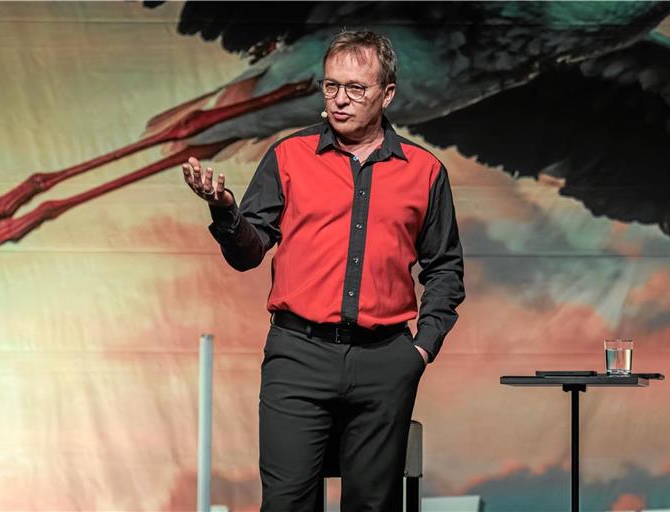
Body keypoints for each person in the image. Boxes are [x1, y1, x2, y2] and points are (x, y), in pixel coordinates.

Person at [182, 30, 464, 512]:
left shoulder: (424, 171)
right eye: (331, 86)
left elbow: (445, 269)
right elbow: (248, 253)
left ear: (387, 93)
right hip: (298, 356)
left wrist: (420, 349)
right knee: (287, 502)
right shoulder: (289, 157)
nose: (340, 100)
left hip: (384, 361)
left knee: (372, 505)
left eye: (356, 88)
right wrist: (226, 211)